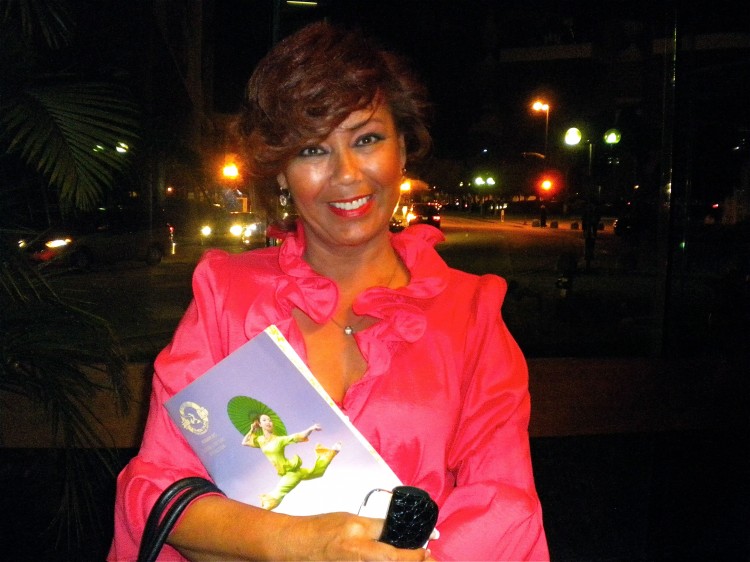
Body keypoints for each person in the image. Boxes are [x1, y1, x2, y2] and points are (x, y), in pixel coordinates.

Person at [109, 21, 548, 561]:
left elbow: (504, 505)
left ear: (403, 148)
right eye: (313, 149)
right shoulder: (227, 298)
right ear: (280, 173)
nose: (347, 174)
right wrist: (303, 544)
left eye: (367, 139)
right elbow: (158, 487)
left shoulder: (470, 316)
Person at [242, 415, 341, 510]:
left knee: (276, 495)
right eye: (264, 420)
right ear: (259, 424)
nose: (268, 422)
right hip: (287, 473)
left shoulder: (279, 440)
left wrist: (311, 429)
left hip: (291, 472)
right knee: (316, 472)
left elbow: (296, 436)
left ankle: (261, 513)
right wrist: (252, 430)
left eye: (270, 420)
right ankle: (332, 452)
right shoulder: (260, 440)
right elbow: (244, 442)